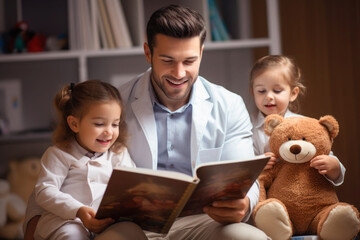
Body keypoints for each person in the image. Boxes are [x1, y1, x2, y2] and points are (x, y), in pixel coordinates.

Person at [24, 5, 269, 240]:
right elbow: (63, 163)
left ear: (202, 53)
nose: (179, 73)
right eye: (168, 60)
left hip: (204, 222)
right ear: (148, 53)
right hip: (132, 227)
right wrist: (34, 222)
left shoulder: (229, 105)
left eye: (189, 61)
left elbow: (245, 177)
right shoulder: (113, 106)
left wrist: (245, 204)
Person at [30, 80, 137, 239]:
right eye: (100, 124)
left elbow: (132, 184)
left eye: (115, 124)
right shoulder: (58, 154)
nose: (109, 132)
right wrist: (78, 210)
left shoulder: (119, 153)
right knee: (72, 235)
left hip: (107, 223)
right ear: (74, 124)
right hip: (67, 221)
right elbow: (45, 191)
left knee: (130, 233)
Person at [249, 55, 345, 185]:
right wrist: (258, 164)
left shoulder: (307, 125)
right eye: (261, 91)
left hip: (304, 191)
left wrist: (334, 167)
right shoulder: (249, 127)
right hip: (268, 196)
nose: (269, 96)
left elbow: (325, 153)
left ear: (293, 93)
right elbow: (244, 167)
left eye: (277, 91)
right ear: (252, 92)